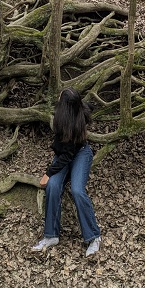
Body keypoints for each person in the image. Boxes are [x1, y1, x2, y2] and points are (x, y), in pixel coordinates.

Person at [31, 87, 101, 258]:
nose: (59, 95)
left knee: (77, 190)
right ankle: (51, 235)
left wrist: (48, 173)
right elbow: (89, 106)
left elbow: (67, 156)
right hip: (64, 153)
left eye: (61, 97)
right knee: (53, 186)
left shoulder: (71, 120)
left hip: (80, 154)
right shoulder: (72, 112)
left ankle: (93, 236)